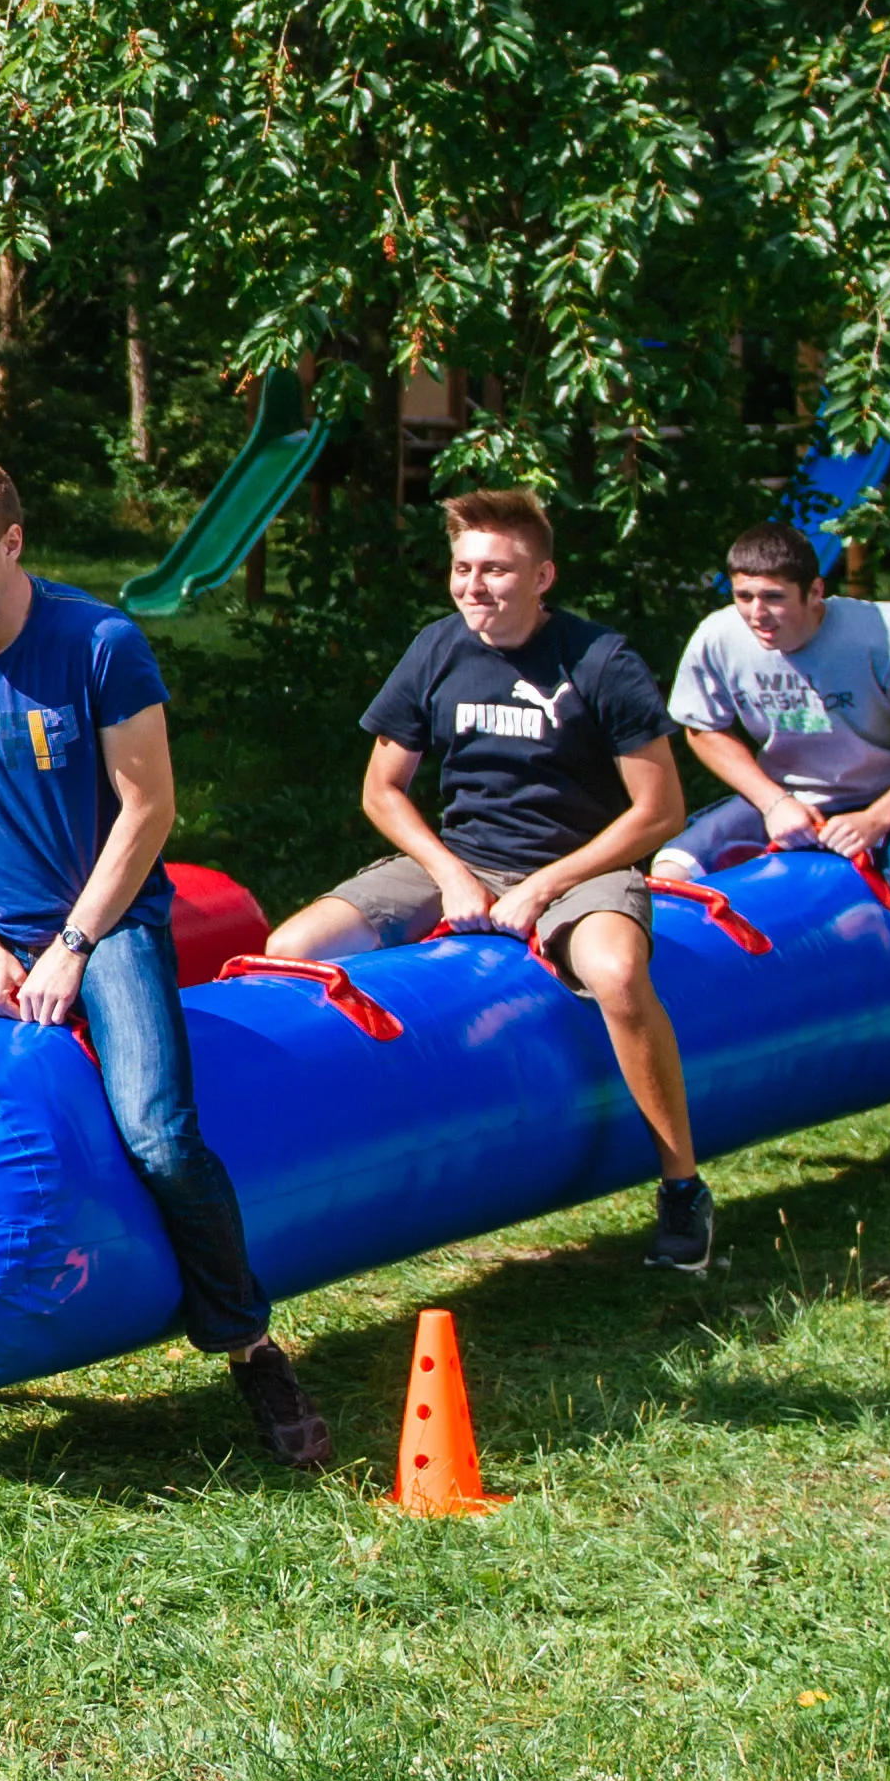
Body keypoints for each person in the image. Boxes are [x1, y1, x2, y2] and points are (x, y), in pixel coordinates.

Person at [0, 452, 331, 1467]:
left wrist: (71, 945)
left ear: (12, 544)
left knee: (159, 1136)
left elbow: (150, 810)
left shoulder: (100, 641)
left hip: (109, 913)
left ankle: (250, 1346)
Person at [266, 487, 715, 1270]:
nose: (475, 585)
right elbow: (381, 789)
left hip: (583, 864)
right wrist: (449, 874)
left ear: (541, 577)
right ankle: (332, 1163)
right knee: (289, 947)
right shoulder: (438, 648)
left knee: (613, 972)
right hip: (463, 858)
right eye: (463, 567)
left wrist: (540, 889)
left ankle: (680, 1184)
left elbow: (659, 810)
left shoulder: (599, 660)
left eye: (497, 570)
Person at [658, 520, 890, 1156]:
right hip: (788, 792)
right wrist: (773, 799)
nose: (758, 615)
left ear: (815, 592)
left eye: (774, 599)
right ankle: (696, 1059)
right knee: (669, 871)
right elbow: (703, 729)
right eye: (743, 597)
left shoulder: (889, 632)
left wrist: (879, 817)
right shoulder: (719, 636)